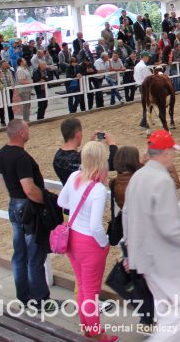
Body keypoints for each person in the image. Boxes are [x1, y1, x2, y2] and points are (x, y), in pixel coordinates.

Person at [124, 131, 180, 342]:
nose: (173, 157)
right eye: (172, 152)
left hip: (143, 255)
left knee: (166, 308)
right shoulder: (162, 181)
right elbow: (169, 226)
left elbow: (127, 216)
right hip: (162, 258)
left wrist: (129, 251)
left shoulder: (138, 177)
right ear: (166, 152)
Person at [57, 142, 117, 341]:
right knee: (91, 290)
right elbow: (95, 226)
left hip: (72, 237)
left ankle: (86, 326)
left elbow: (61, 202)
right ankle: (98, 332)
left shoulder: (75, 177)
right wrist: (104, 242)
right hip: (89, 242)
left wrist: (75, 208)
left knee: (82, 285)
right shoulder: (98, 189)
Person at [0, 120, 52, 309]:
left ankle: (24, 295)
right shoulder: (21, 157)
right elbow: (29, 188)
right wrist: (46, 201)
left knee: (19, 253)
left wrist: (14, 196)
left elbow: (2, 180)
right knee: (34, 253)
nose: (29, 132)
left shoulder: (1, 153)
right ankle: (40, 299)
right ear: (20, 133)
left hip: (14, 203)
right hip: (27, 206)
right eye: (26, 129)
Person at [53, 118, 117, 186]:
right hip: (86, 194)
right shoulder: (82, 159)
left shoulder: (57, 157)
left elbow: (76, 157)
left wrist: (91, 143)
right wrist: (112, 145)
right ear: (78, 134)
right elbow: (113, 164)